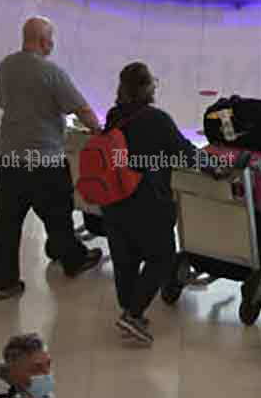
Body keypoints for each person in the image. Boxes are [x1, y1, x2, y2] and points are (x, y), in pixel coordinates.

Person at [0, 17, 104, 299]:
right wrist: (100, 131)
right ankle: (73, 260)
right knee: (58, 216)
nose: (52, 44)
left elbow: (2, 100)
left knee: (5, 223)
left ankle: (5, 284)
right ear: (43, 41)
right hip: (45, 161)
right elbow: (82, 109)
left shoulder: (6, 65)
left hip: (9, 158)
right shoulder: (52, 72)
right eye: (50, 39)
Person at [99, 62, 199, 345]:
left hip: (114, 200)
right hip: (148, 203)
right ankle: (132, 314)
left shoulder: (114, 115)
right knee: (162, 257)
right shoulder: (158, 120)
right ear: (146, 87)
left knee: (125, 259)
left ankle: (130, 309)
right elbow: (187, 154)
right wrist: (215, 166)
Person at [0, 333, 57, 398]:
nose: (47, 373)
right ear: (14, 368)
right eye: (37, 368)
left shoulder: (33, 391)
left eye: (48, 364)